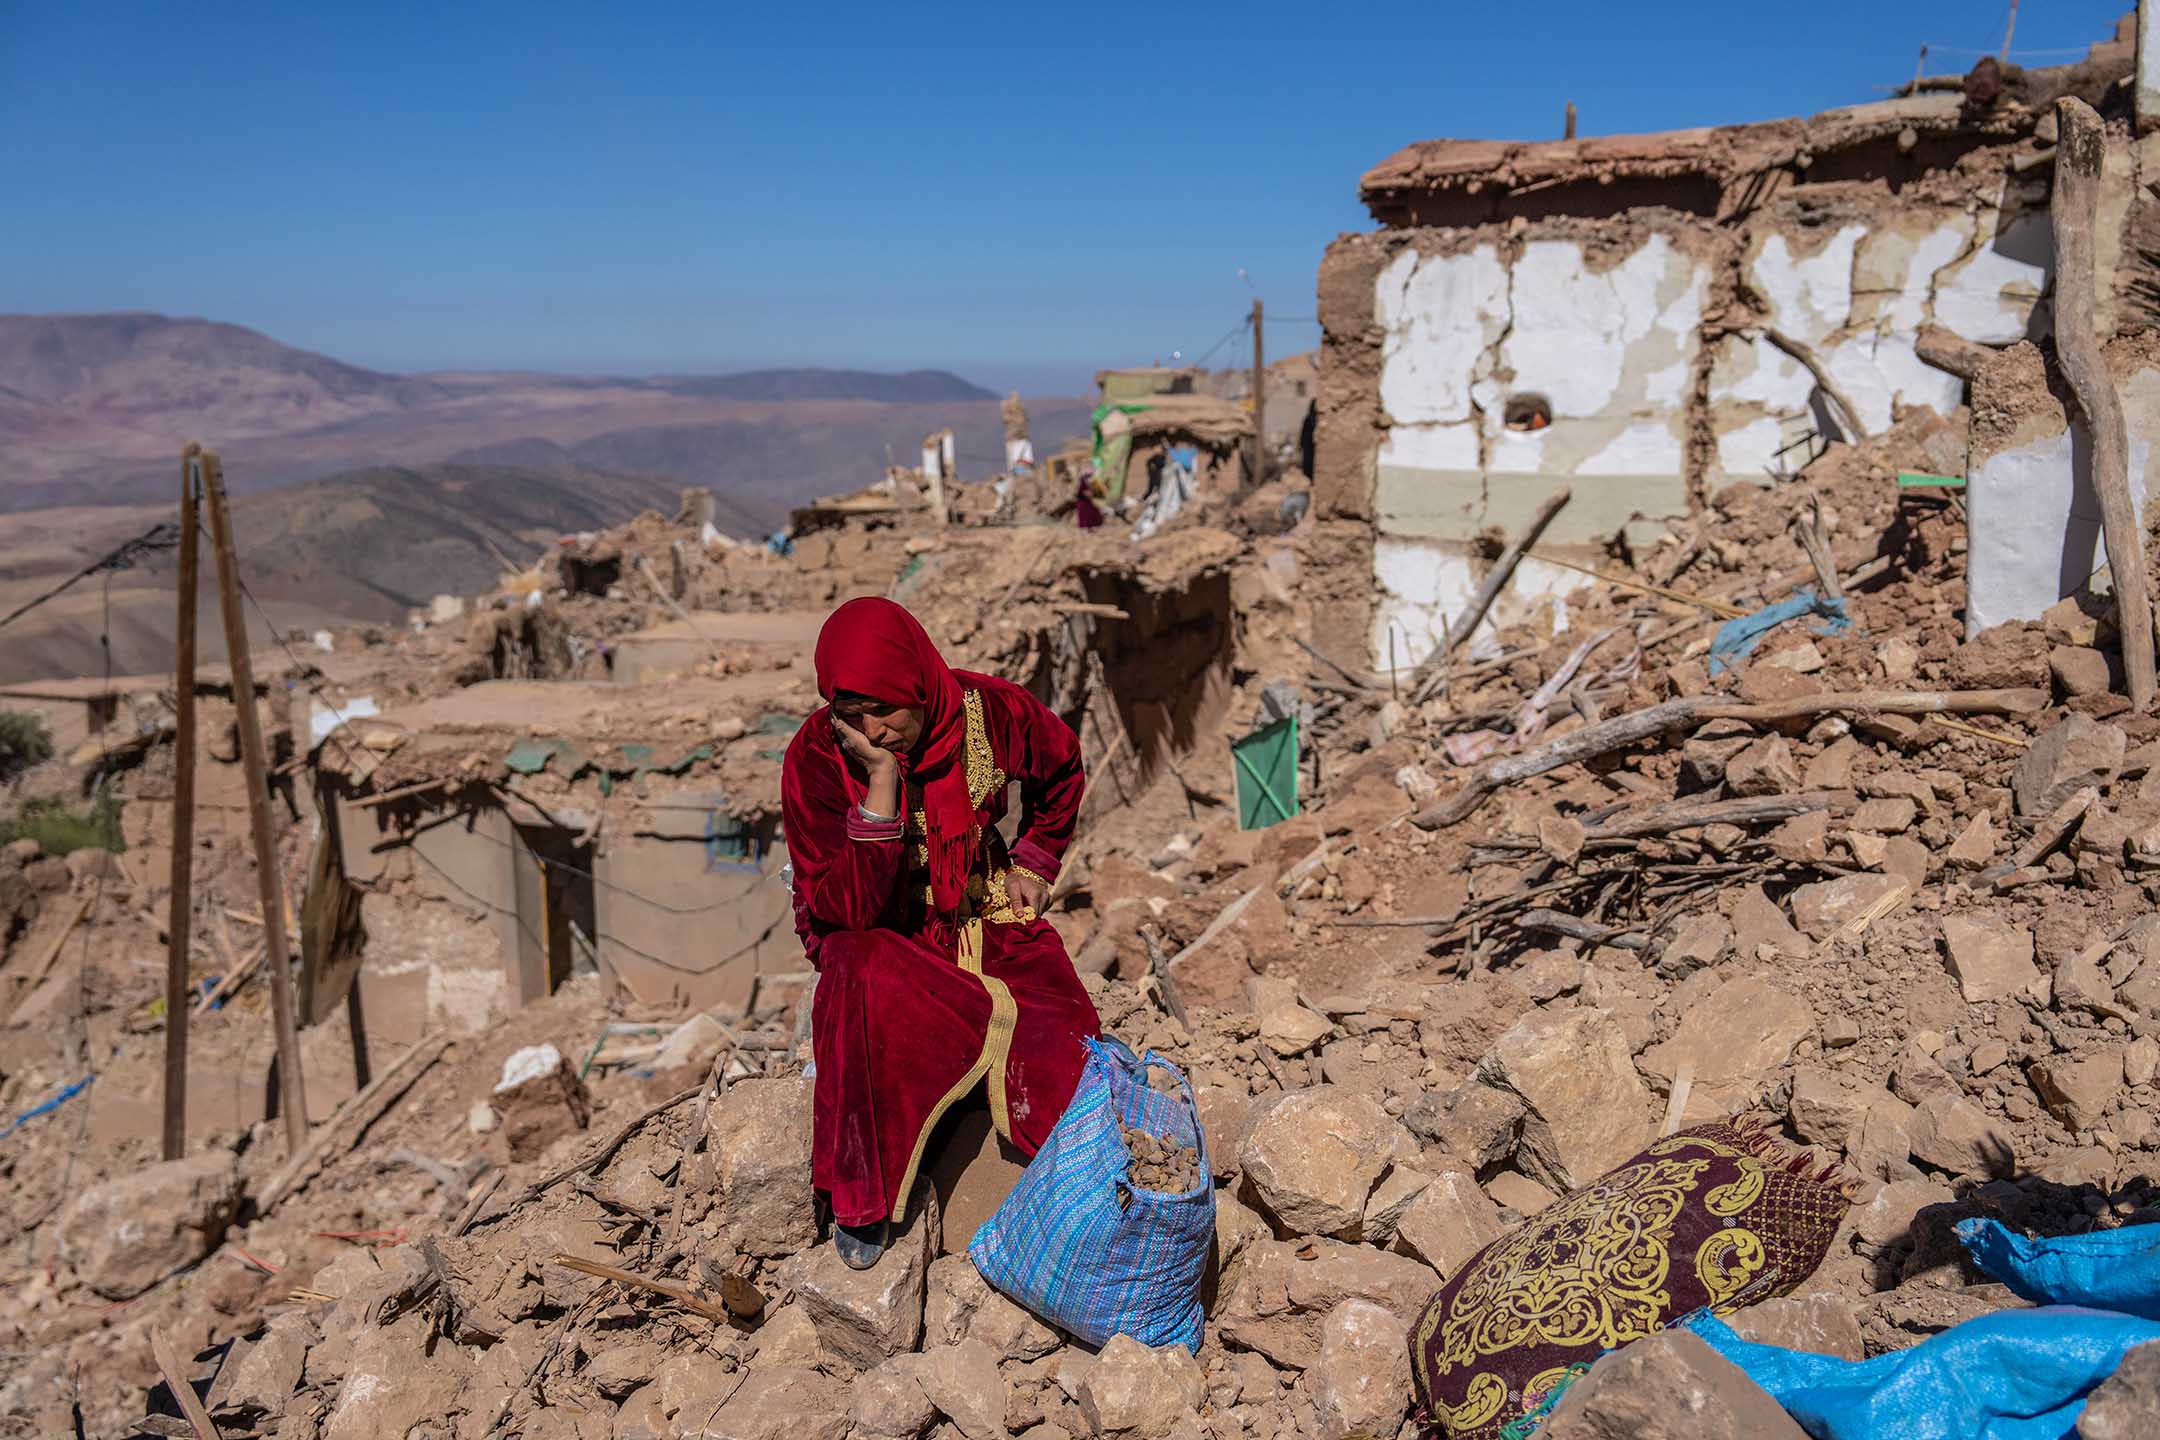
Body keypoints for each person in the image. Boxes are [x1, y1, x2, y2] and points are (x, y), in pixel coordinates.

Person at [781, 597, 1102, 1268]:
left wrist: (1037, 861)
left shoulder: (993, 713)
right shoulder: (818, 757)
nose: (869, 729)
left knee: (1063, 1058)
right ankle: (864, 1201)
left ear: (917, 686)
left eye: (884, 710)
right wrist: (878, 787)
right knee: (857, 981)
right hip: (880, 937)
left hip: (977, 910)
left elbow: (1064, 768)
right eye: (849, 712)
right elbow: (846, 909)